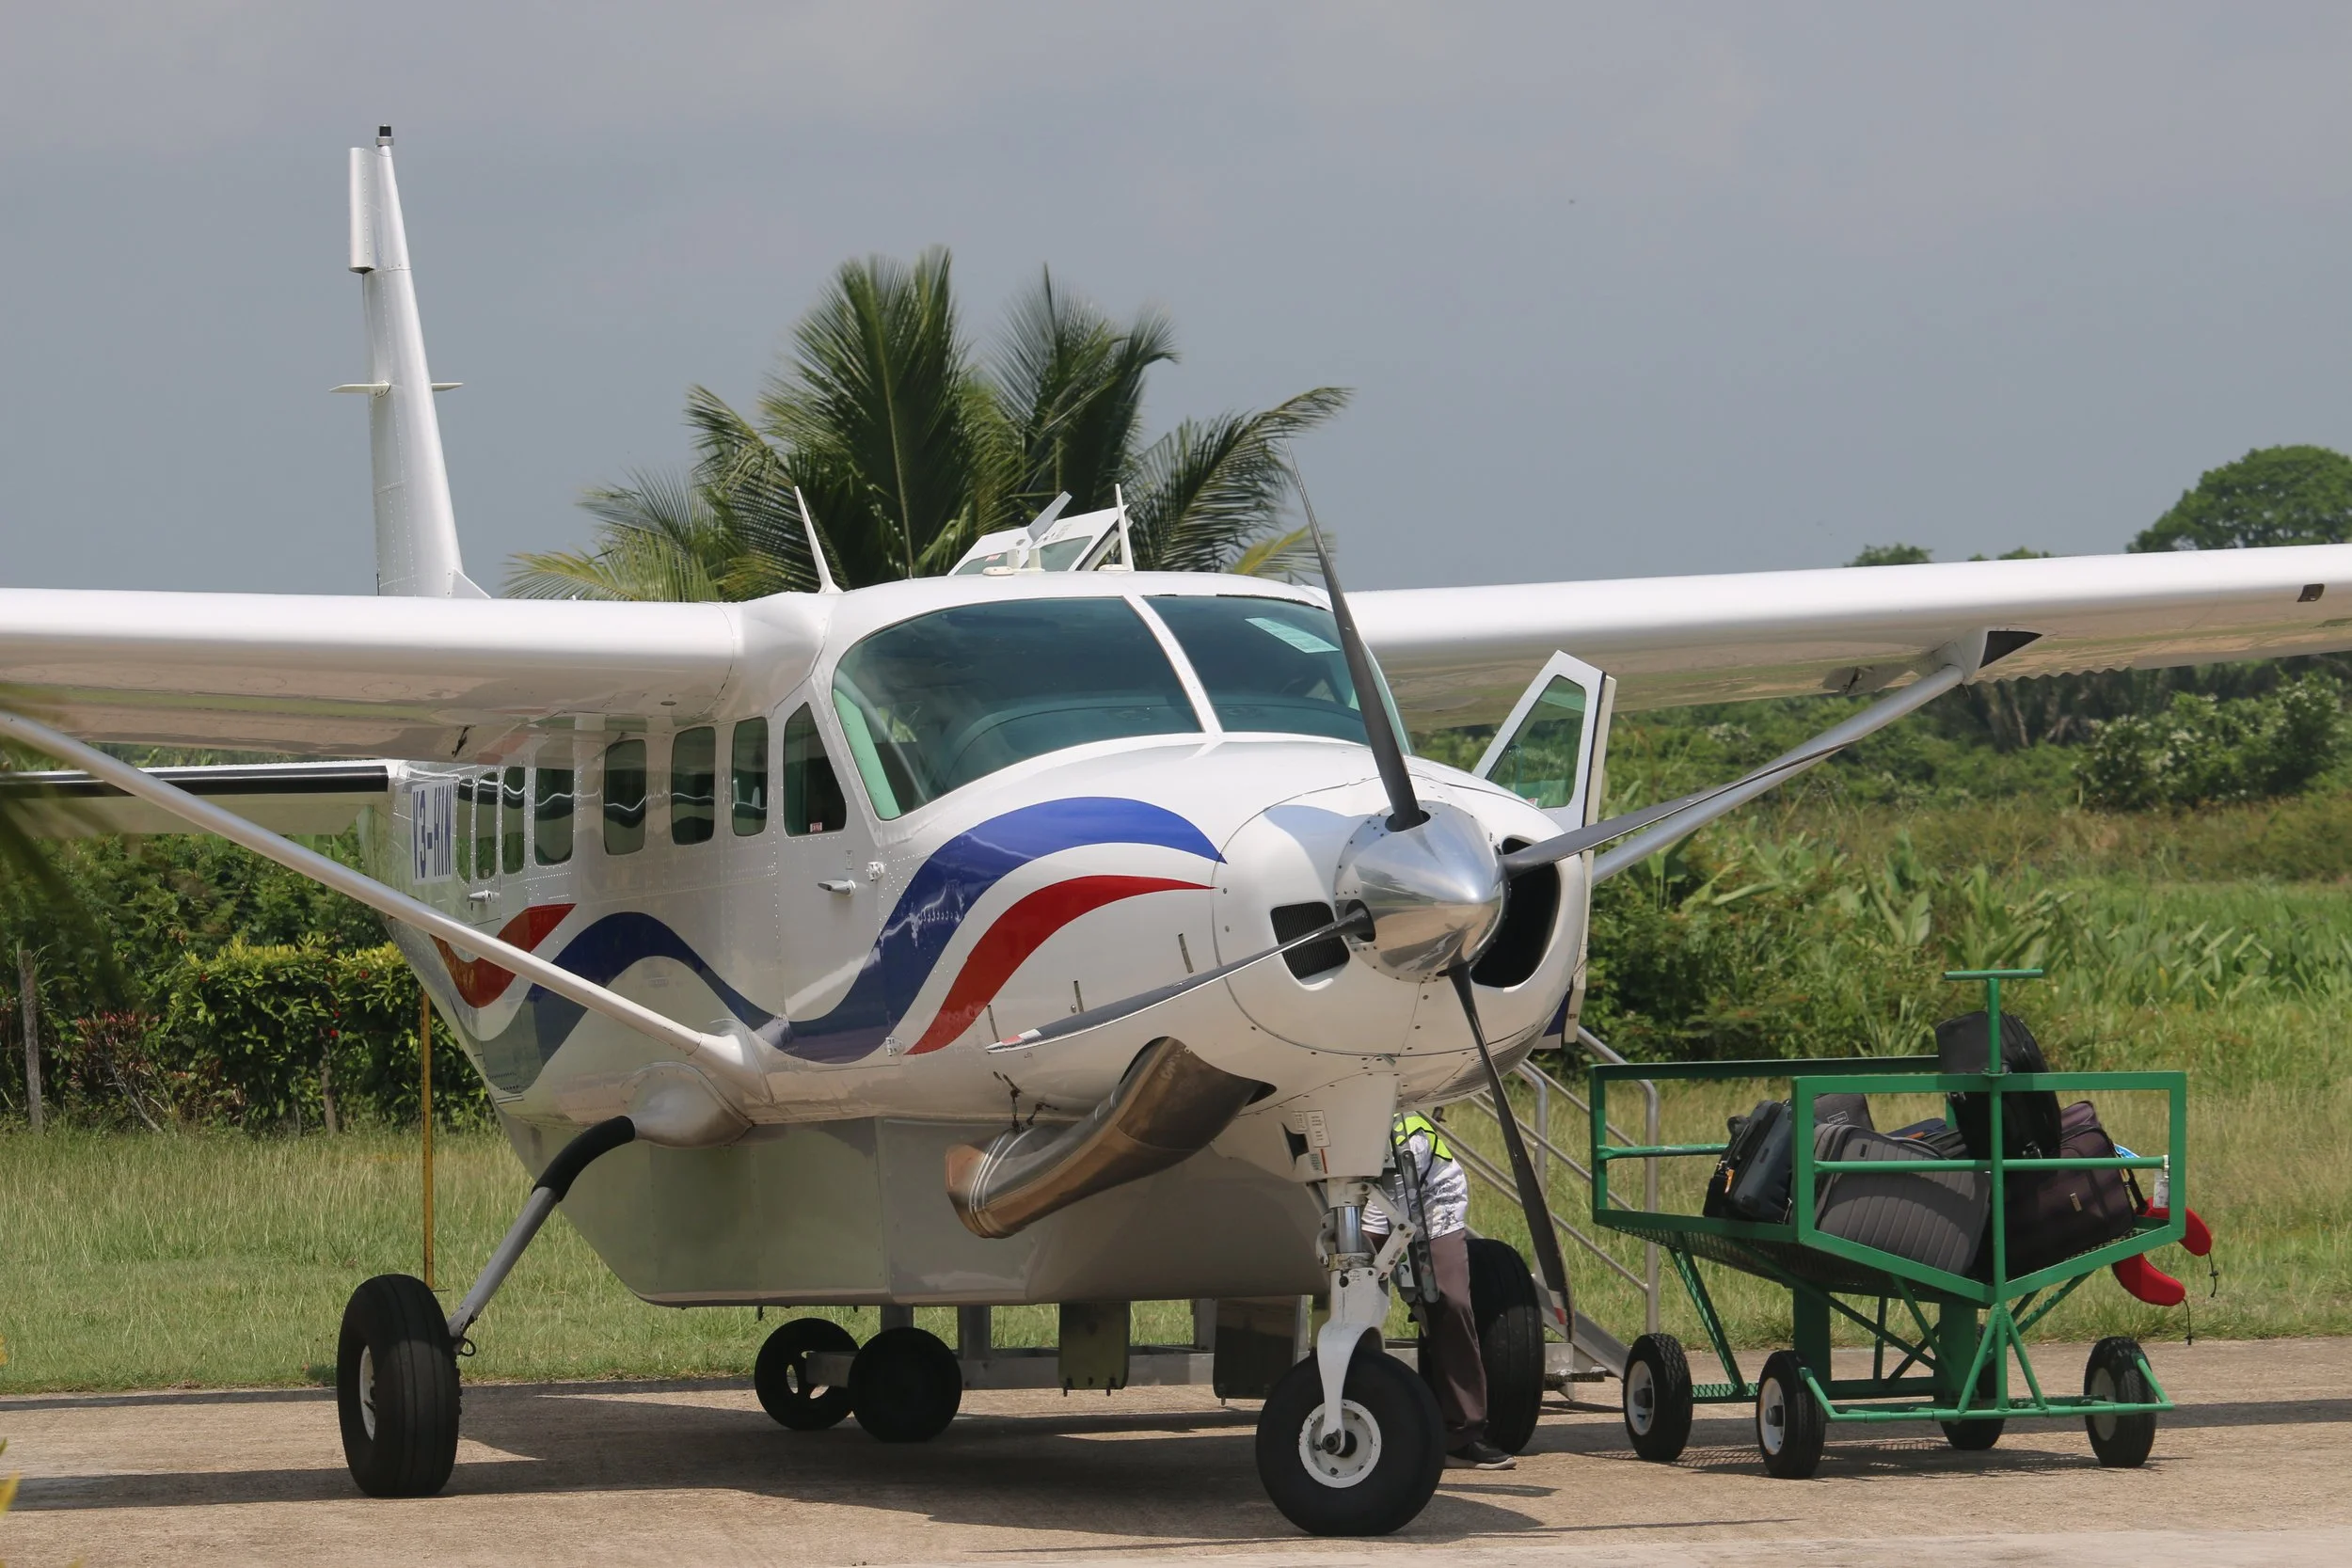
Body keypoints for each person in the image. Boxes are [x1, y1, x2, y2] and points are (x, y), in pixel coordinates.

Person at [1362, 1108, 1516, 1471]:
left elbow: (1380, 1223)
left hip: (1431, 1203)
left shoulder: (1405, 1138)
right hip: (1367, 1191)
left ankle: (1463, 1434)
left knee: (1450, 1302)